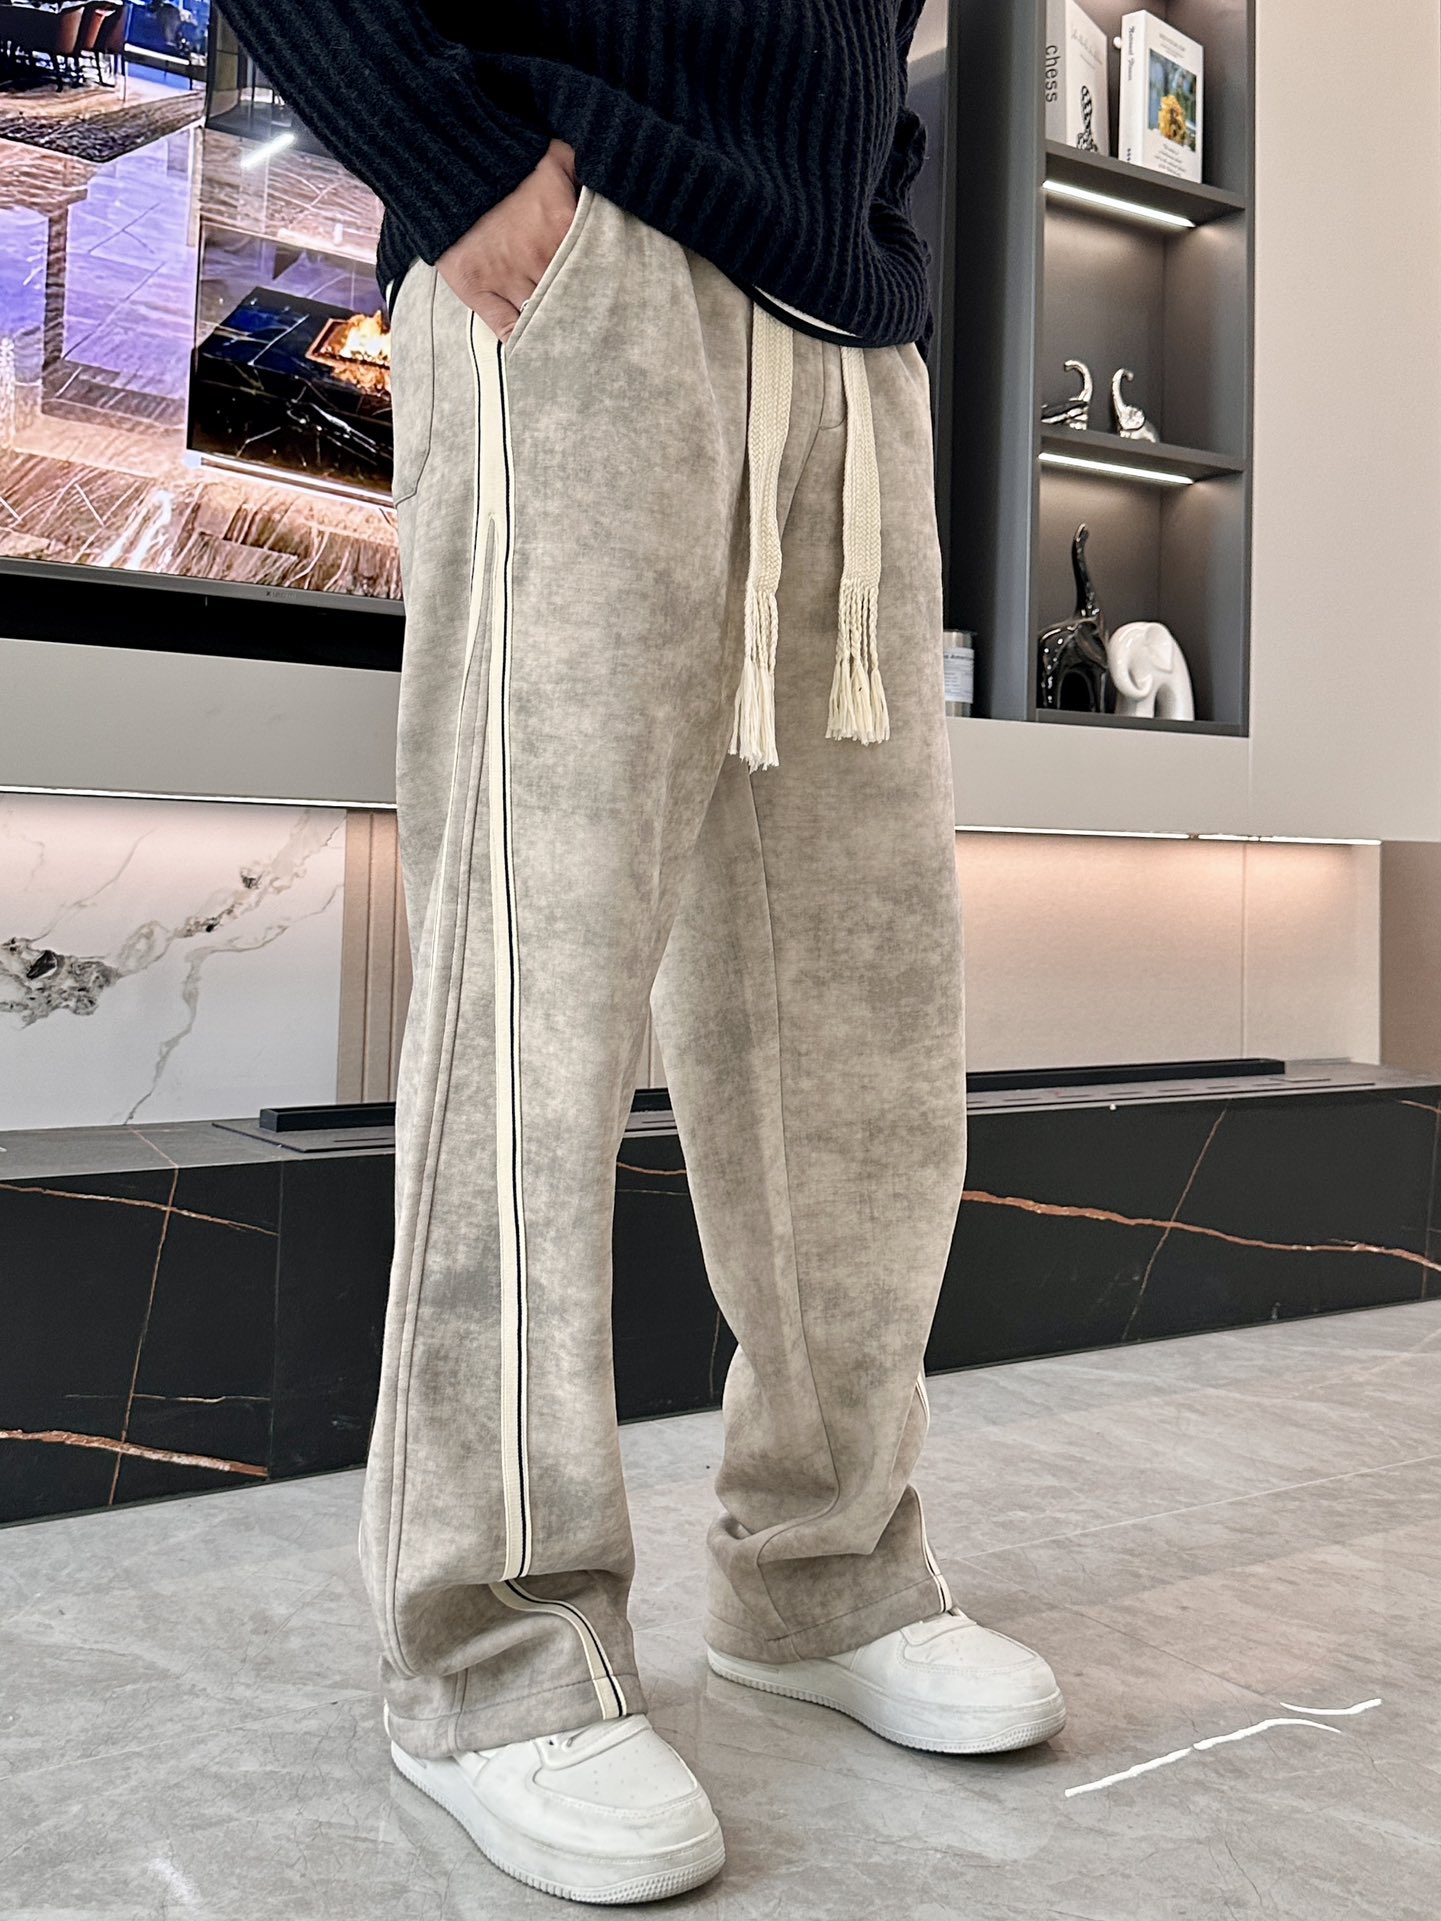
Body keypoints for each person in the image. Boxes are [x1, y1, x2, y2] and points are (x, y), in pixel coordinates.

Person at [220, 2, 1067, 1903]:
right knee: (540, 988)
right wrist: (452, 163)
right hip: (576, 250)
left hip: (840, 328)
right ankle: (492, 1646)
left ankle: (823, 1567)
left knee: (858, 1019)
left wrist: (876, 230)